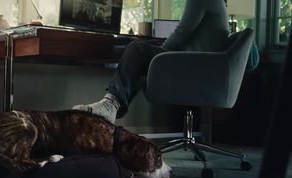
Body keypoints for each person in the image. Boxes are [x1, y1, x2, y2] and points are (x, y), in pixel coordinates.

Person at [72, 0, 230, 124]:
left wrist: (157, 57)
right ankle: (112, 105)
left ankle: (110, 106)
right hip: (199, 69)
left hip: (193, 69)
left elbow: (182, 32)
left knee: (136, 50)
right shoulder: (217, 2)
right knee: (132, 49)